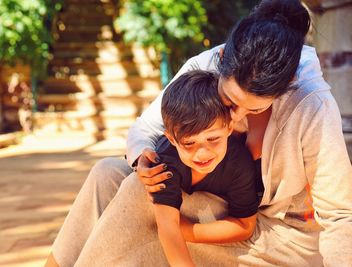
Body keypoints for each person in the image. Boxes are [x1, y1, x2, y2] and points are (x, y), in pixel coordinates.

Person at [46, 0, 352, 266]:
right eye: (230, 102)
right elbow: (145, 129)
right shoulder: (205, 65)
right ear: (220, 64)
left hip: (278, 239)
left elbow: (339, 215)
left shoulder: (312, 105)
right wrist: (142, 159)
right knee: (107, 173)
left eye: (255, 110)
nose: (237, 118)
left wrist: (175, 228)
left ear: (284, 89)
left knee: (139, 196)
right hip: (221, 206)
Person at [151, 70, 259, 266]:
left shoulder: (238, 163)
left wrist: (185, 230)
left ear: (229, 128)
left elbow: (245, 225)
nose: (202, 153)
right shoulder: (164, 160)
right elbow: (167, 226)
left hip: (214, 228)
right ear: (171, 139)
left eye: (213, 139)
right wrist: (172, 228)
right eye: (189, 143)